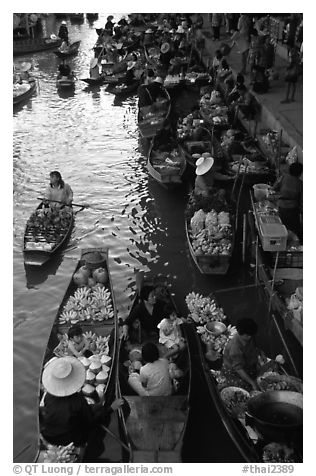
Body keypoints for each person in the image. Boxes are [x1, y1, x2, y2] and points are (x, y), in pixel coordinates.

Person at [40, 356, 125, 461]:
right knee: (100, 411)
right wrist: (110, 409)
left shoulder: (49, 396)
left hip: (51, 436)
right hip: (73, 438)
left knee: (95, 408)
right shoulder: (78, 400)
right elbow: (90, 421)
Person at [220, 318, 262, 391]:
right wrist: (252, 383)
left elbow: (255, 345)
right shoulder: (235, 349)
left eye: (252, 335)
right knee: (245, 387)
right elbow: (239, 369)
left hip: (247, 363)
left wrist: (261, 353)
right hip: (233, 370)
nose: (251, 337)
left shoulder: (249, 337)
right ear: (240, 333)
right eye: (248, 335)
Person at [271, 162, 303, 243]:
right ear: (300, 173)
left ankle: (280, 244)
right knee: (294, 229)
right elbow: (301, 200)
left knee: (282, 226)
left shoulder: (284, 177)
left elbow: (274, 188)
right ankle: (295, 246)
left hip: (282, 206)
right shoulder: (300, 184)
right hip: (293, 209)